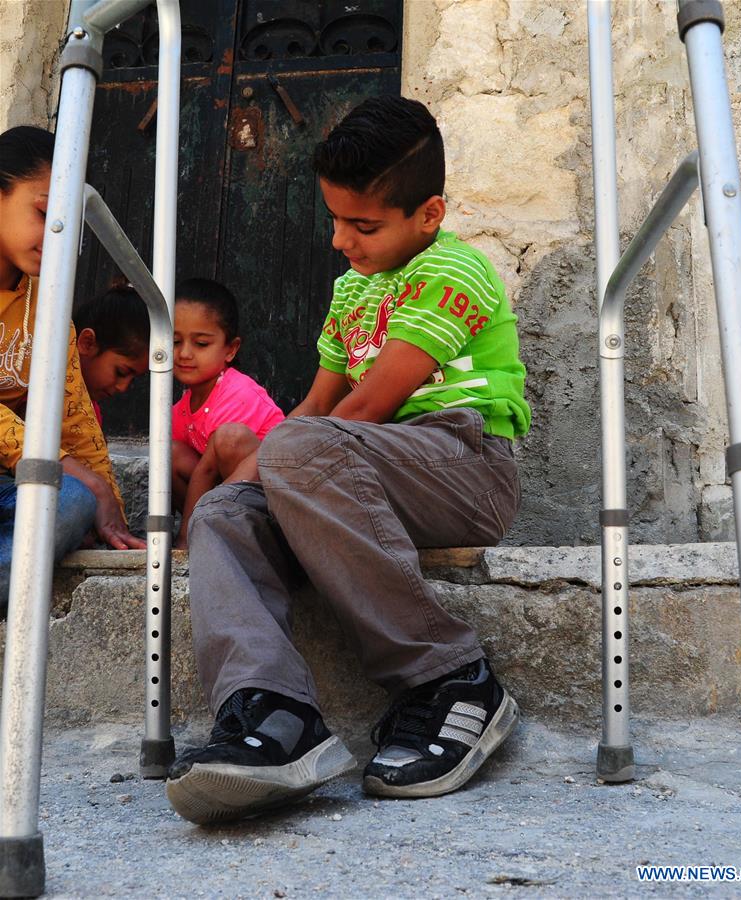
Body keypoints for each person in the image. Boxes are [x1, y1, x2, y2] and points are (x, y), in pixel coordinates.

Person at [165, 96, 531, 825]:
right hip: (350, 470)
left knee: (291, 448)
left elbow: (360, 412)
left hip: (463, 465)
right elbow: (315, 408)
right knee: (225, 512)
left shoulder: (455, 270)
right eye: (334, 220)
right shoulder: (352, 290)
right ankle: (275, 714)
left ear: (427, 214)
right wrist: (232, 503)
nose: (340, 241)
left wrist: (271, 458)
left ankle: (451, 678)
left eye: (362, 226)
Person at [0, 125, 145, 613]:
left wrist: (111, 512)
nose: (55, 234)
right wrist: (68, 467)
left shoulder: (47, 302)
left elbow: (74, 417)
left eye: (66, 219)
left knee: (72, 504)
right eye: (43, 213)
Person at [170, 278, 284, 548]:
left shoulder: (236, 394)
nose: (184, 353)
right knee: (168, 453)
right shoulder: (181, 408)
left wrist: (184, 541)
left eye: (201, 344)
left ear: (230, 350)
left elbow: (207, 470)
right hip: (221, 497)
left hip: (270, 502)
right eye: (175, 341)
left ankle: (200, 534)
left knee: (229, 438)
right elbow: (199, 471)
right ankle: (209, 530)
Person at [74, 280, 150, 426]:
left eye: (133, 379)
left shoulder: (90, 413)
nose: (123, 388)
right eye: (121, 372)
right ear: (87, 343)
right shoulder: (32, 398)